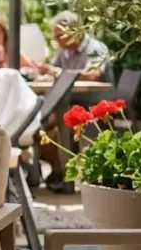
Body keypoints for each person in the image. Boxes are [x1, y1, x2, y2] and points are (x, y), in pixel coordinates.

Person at [34, 11, 110, 192]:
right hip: (68, 104)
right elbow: (55, 71)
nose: (57, 40)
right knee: (40, 130)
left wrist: (59, 73)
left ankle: (61, 175)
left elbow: (94, 74)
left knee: (43, 124)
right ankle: (59, 171)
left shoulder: (96, 48)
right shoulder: (64, 51)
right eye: (55, 36)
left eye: (59, 35)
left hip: (92, 106)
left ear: (74, 30)